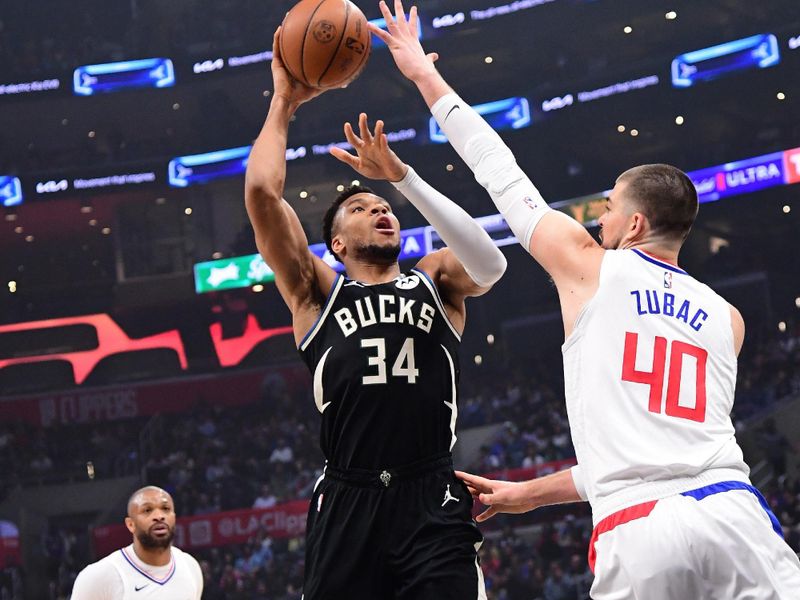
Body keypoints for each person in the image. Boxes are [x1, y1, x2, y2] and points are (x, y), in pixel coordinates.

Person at [371, 1, 800, 598]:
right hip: (734, 513)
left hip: (638, 527)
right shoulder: (729, 320)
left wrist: (424, 75)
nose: (599, 216)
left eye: (609, 207)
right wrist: (527, 494)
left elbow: (500, 169)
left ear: (635, 224)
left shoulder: (587, 265)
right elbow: (662, 454)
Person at [243, 27, 507, 600]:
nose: (379, 210)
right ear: (335, 244)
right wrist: (283, 101)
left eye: (384, 206)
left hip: (430, 491)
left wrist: (404, 180)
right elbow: (263, 195)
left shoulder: (434, 277)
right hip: (348, 496)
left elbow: (490, 266)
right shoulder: (316, 292)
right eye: (361, 208)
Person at [71, 486, 202, 599]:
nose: (159, 516)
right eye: (147, 510)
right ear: (130, 524)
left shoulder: (190, 566)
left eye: (165, 508)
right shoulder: (99, 576)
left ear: (174, 517)